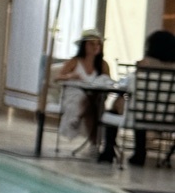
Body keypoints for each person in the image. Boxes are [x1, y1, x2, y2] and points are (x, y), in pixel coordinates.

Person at [99, 28, 175, 166]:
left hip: (139, 116)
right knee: (141, 108)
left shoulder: (143, 66)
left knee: (120, 109)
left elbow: (127, 86)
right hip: (169, 119)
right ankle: (139, 153)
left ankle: (111, 150)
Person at [55, 29, 109, 149]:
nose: (95, 47)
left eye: (98, 44)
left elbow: (107, 82)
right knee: (92, 105)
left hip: (95, 96)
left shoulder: (103, 65)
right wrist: (71, 76)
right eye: (91, 44)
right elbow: (57, 77)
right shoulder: (75, 61)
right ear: (84, 45)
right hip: (75, 94)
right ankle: (94, 142)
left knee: (94, 102)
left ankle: (79, 117)